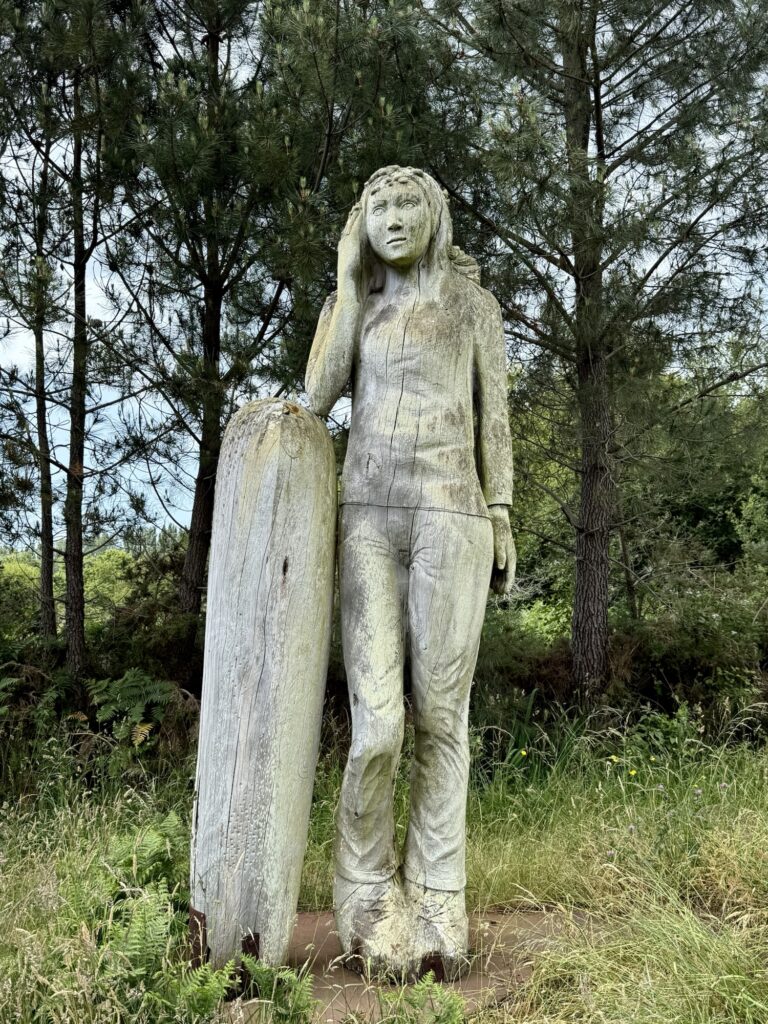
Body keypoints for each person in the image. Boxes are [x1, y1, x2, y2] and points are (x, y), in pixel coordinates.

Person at [305, 166, 514, 978]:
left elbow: (495, 415)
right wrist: (345, 287)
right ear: (361, 224)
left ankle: (436, 894)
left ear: (436, 216)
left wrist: (502, 510)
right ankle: (363, 888)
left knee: (444, 719)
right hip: (366, 518)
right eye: (379, 207)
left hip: (453, 516)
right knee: (379, 725)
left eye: (407, 204)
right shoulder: (351, 305)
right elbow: (316, 398)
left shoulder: (473, 307)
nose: (393, 218)